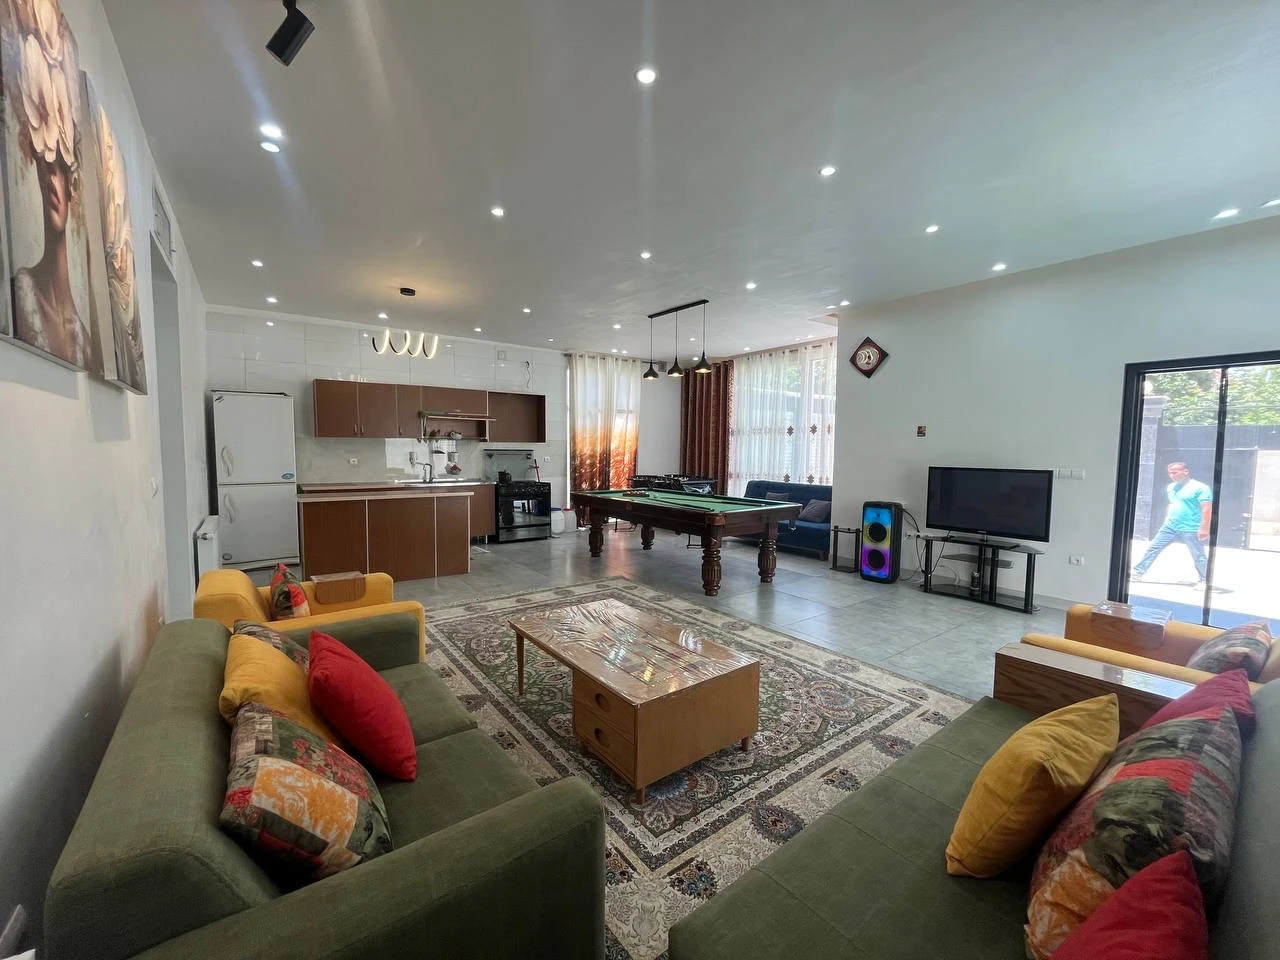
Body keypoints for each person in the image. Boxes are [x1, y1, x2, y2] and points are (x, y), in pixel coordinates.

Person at [1131, 462, 1213, 583]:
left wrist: (1204, 528)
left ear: (1185, 472)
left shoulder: (1201, 488)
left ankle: (1204, 580)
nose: (1172, 475)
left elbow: (1207, 508)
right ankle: (1139, 571)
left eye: (1175, 472)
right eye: (1170, 473)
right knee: (1154, 548)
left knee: (1198, 555)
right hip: (1170, 527)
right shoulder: (1171, 487)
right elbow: (1174, 504)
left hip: (1191, 528)